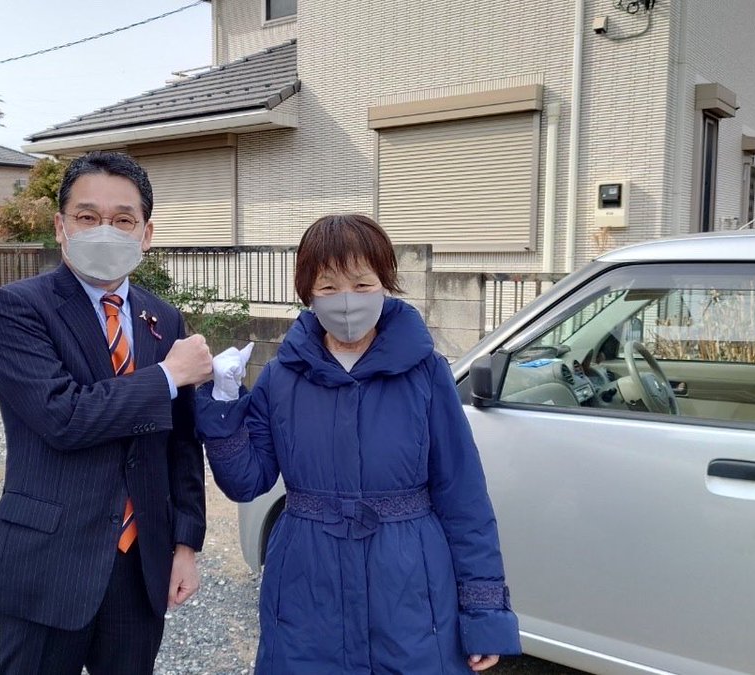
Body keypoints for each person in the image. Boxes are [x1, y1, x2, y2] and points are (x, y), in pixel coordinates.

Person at [195, 214, 520, 674]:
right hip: (307, 582)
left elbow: (463, 497)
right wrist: (224, 403)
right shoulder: (282, 376)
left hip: (409, 584)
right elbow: (246, 481)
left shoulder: (426, 372)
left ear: (385, 284)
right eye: (328, 287)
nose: (347, 299)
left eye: (362, 283)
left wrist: (484, 613)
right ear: (308, 293)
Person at [0, 151, 212, 675]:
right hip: (50, 558)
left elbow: (181, 444)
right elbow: (63, 416)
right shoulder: (17, 308)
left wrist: (185, 543)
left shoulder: (162, 318)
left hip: (139, 560)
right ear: (61, 227)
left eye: (123, 219)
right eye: (87, 216)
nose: (105, 230)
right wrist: (167, 376)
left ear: (146, 234)